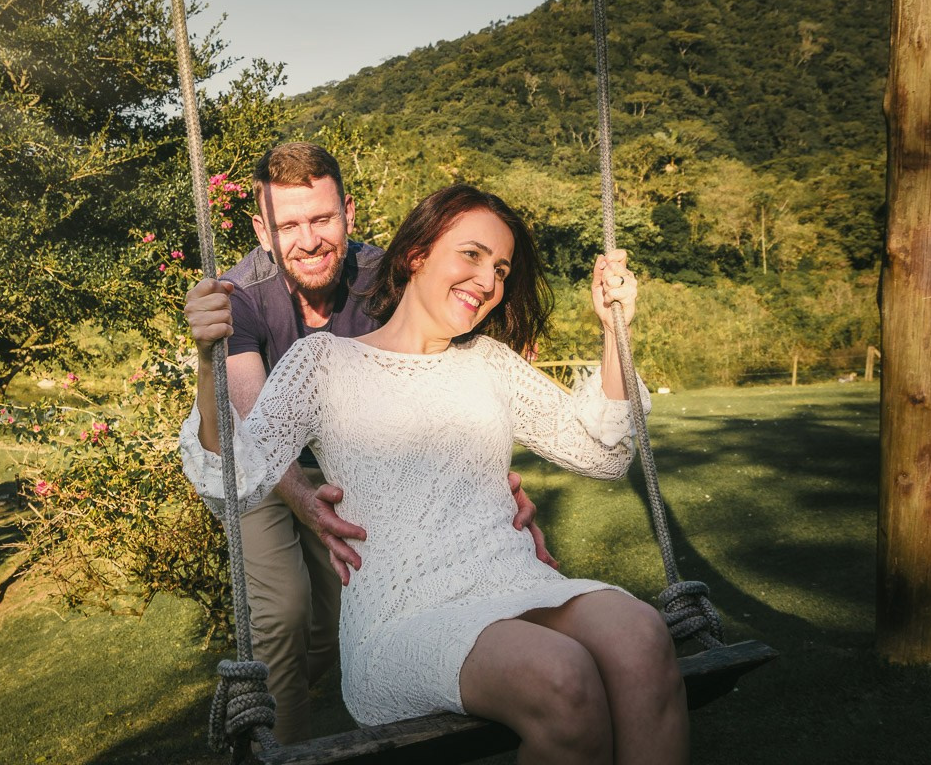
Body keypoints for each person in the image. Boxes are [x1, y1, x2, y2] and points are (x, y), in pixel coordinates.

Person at [182, 184, 688, 763]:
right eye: (471, 255)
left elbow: (603, 453)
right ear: (418, 253)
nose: (488, 280)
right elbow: (234, 479)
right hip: (403, 616)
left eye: (500, 268)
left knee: (644, 636)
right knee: (562, 677)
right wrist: (207, 359)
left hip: (515, 581)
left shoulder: (490, 364)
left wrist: (611, 329)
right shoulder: (324, 364)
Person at [216, 143, 555, 742]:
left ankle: (302, 681)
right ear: (261, 232)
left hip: (355, 467)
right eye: (287, 225)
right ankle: (289, 754)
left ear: (347, 210)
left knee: (332, 624)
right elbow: (253, 431)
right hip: (266, 467)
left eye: (322, 219)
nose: (309, 239)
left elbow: (443, 376)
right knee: (283, 615)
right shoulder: (240, 295)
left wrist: (487, 490)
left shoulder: (384, 277)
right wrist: (307, 505)